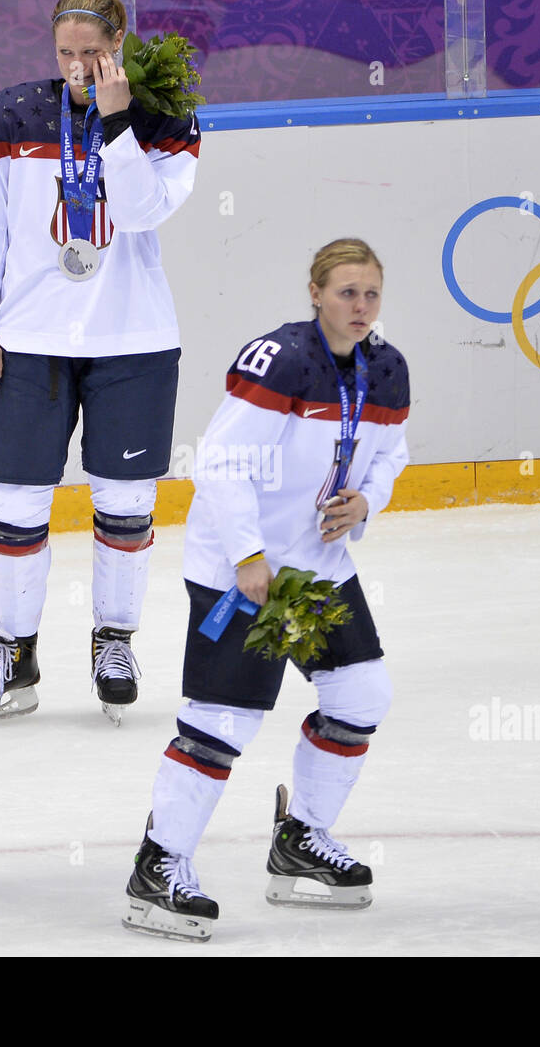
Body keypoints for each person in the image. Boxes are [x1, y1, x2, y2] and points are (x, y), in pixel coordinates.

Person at [122, 239, 411, 941]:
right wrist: (249, 555)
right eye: (346, 292)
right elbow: (219, 463)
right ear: (314, 293)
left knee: (361, 694)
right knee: (224, 721)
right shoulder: (282, 361)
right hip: (242, 568)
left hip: (318, 568)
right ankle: (159, 866)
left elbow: (392, 454)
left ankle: (300, 843)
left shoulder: (387, 370)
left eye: (371, 293)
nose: (361, 307)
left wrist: (366, 501)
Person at [0, 0, 200, 725]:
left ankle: (114, 639)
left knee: (125, 500)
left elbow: (141, 209)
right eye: (66, 52)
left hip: (133, 336)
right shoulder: (9, 113)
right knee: (14, 498)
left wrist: (120, 123)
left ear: (117, 46)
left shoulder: (164, 115)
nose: (78, 65)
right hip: (27, 337)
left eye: (92, 53)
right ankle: (13, 648)